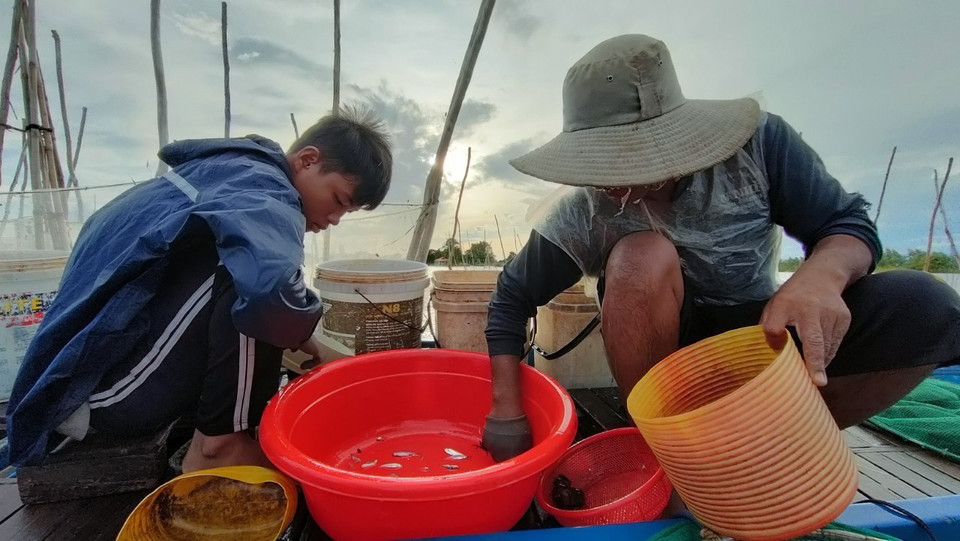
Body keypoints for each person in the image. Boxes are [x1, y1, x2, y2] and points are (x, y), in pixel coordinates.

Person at [481, 34, 960, 462]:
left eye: (625, 162)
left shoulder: (760, 146)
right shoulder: (585, 210)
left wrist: (821, 278)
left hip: (759, 333)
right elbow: (510, 298)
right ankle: (665, 446)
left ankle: (776, 437)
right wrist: (507, 413)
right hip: (667, 357)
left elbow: (847, 225)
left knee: (927, 304)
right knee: (641, 255)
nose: (609, 183)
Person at [6, 106, 392, 472]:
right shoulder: (265, 191)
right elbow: (266, 288)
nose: (335, 219)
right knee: (247, 272)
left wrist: (304, 336)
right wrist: (306, 329)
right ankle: (220, 444)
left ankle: (220, 431)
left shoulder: (221, 175)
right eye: (339, 200)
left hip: (77, 380)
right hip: (98, 394)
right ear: (307, 160)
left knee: (253, 271)